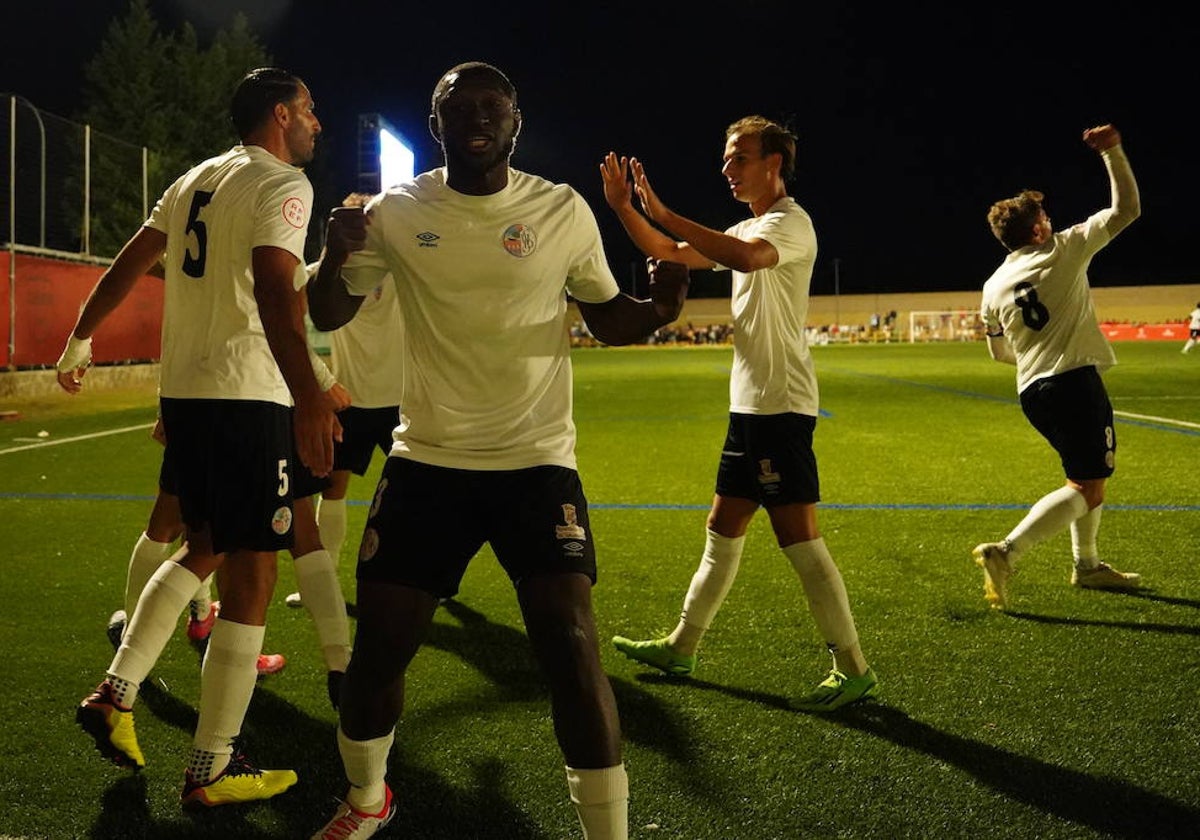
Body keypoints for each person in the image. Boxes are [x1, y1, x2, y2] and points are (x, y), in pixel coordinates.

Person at [306, 61, 688, 840]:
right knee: (378, 653)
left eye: (493, 107)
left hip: (536, 464)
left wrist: (661, 310)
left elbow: (609, 319)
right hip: (429, 462)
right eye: (459, 107)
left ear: (516, 122)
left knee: (573, 647)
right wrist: (332, 251)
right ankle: (368, 798)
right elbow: (329, 310)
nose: (477, 118)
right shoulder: (397, 209)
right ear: (434, 122)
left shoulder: (560, 209)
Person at [56, 66, 339, 806]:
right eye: (309, 109)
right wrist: (309, 393)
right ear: (280, 114)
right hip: (248, 397)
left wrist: (81, 335)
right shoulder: (285, 184)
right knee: (251, 572)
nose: (318, 121)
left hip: (188, 393)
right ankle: (212, 767)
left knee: (203, 543)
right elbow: (277, 288)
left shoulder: (196, 178)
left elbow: (133, 259)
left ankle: (116, 694)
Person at [599, 115, 878, 712]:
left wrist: (668, 212)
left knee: (798, 538)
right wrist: (627, 207)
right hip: (749, 406)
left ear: (773, 163)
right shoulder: (749, 226)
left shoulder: (789, 225)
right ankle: (681, 645)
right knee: (721, 529)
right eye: (726, 158)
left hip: (781, 406)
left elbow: (748, 259)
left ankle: (853, 667)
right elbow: (668, 252)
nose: (727, 168)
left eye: (739, 158)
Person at [973, 124, 1142, 609]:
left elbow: (998, 352)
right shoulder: (1063, 248)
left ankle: (1087, 566)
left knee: (1086, 477)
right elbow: (1127, 210)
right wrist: (1111, 151)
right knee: (1086, 485)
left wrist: (1035, 357)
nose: (1051, 218)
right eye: (1045, 214)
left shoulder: (993, 285)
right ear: (1038, 228)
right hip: (1073, 385)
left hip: (1033, 391)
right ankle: (1006, 551)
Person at [285, 192, 404, 612]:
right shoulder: (323, 275)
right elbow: (283, 317)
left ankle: (424, 580)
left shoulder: (401, 270)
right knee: (331, 489)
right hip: (347, 401)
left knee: (418, 494)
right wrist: (320, 381)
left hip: (403, 404)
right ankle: (325, 581)